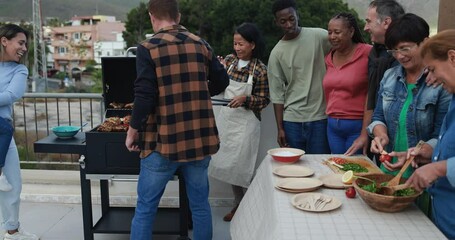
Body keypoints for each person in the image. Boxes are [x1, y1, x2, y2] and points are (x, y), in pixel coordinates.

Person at [124, 0, 229, 239]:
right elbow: (222, 81)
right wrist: (199, 93)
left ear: (152, 16)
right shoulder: (201, 44)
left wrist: (132, 130)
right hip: (199, 142)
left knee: (146, 208)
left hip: (163, 142)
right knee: (200, 206)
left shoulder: (148, 47)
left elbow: (145, 95)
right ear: (178, 16)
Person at [368, 13, 450, 178]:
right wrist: (380, 135)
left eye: (405, 48)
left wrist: (420, 151)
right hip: (388, 170)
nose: (399, 56)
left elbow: (442, 134)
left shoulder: (440, 83)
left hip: (423, 174)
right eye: (394, 50)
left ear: (425, 43)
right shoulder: (390, 76)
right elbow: (378, 116)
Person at [208, 23, 269, 222]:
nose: (237, 48)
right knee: (229, 166)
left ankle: (251, 209)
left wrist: (246, 99)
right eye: (235, 43)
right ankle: (238, 205)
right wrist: (218, 70)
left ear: (252, 44)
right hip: (226, 121)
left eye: (241, 44)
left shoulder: (260, 69)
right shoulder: (229, 61)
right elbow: (214, 84)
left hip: (246, 124)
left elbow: (264, 100)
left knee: (243, 167)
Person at [404, 29, 455, 239]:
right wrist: (430, 152)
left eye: (432, 69)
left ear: (453, 58)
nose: (431, 78)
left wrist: (440, 168)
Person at [268, 0, 331, 153]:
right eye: (283, 21)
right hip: (292, 121)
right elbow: (277, 94)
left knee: (320, 166)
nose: (289, 24)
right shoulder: (276, 53)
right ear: (276, 22)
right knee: (296, 170)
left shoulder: (320, 36)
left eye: (291, 19)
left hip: (320, 118)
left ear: (298, 15)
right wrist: (280, 128)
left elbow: (343, 50)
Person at [345, 0, 405, 156]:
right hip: (380, 137)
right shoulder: (375, 54)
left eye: (368, 22)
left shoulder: (410, 61)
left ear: (386, 22)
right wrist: (367, 134)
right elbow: (372, 98)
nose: (365, 28)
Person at [0, 24, 39, 240]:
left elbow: (11, 95)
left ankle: (12, 231)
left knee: (12, 183)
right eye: (20, 42)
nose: (24, 48)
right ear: (5, 40)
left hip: (2, 131)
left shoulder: (19, 70)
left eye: (26, 44)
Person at [322, 13, 372, 154]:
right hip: (332, 126)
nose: (332, 36)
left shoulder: (367, 52)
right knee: (338, 168)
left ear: (351, 32)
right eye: (330, 32)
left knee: (354, 171)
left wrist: (364, 133)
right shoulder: (329, 58)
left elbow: (373, 91)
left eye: (337, 32)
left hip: (357, 126)